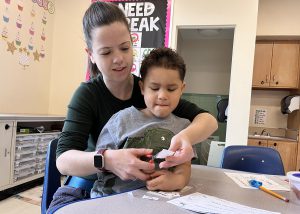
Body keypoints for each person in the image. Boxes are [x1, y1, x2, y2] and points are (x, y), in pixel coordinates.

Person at [48, 1, 217, 212]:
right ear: (90, 54)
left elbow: (208, 120)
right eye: (106, 52)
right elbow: (63, 160)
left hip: (140, 193)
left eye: (125, 48)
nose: (119, 59)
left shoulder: (149, 91)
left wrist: (186, 138)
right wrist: (107, 160)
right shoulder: (87, 95)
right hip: (90, 190)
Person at [91, 47, 193, 197]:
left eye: (171, 89)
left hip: (157, 202)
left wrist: (177, 180)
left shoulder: (184, 128)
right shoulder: (121, 121)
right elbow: (98, 165)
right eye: (154, 88)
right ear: (142, 87)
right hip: (111, 199)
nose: (163, 95)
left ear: (182, 89)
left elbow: (184, 167)